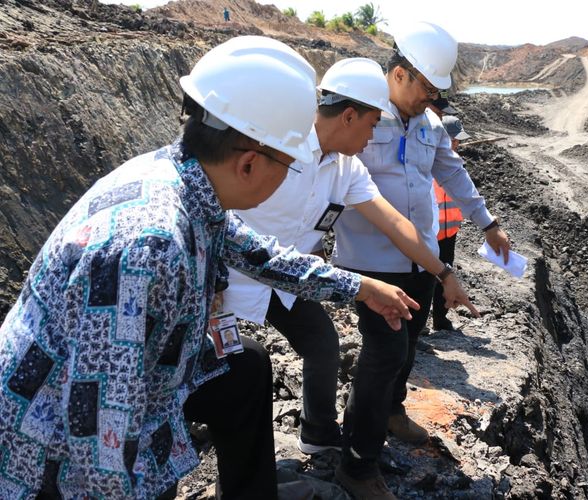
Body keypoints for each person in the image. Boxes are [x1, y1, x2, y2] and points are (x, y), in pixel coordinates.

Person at [0, 36, 418, 500]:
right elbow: (99, 433)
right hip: (43, 449)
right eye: (289, 164)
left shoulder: (185, 181)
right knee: (152, 479)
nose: (292, 175)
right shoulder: (148, 247)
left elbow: (261, 256)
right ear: (249, 163)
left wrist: (357, 286)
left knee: (245, 366)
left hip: (129, 377)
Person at [222, 58, 477, 460]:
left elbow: (394, 224)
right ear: (348, 116)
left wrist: (443, 271)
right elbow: (225, 219)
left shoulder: (348, 169)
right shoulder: (279, 149)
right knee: (232, 372)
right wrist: (209, 287)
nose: (375, 133)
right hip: (227, 278)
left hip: (289, 276)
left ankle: (319, 434)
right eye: (373, 123)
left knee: (322, 342)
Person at [331, 22, 511, 499]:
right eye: (426, 88)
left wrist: (489, 225)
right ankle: (357, 463)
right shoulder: (363, 120)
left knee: (408, 347)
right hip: (370, 262)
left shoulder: (430, 127)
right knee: (383, 353)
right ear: (398, 75)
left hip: (421, 259)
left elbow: (454, 174)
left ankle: (392, 412)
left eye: (436, 91)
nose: (430, 99)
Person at [431, 115, 471, 331]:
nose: (457, 144)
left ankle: (441, 318)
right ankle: (417, 326)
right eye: (454, 140)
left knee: (445, 276)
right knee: (426, 278)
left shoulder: (456, 165)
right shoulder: (427, 165)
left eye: (458, 141)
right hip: (430, 234)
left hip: (449, 233)